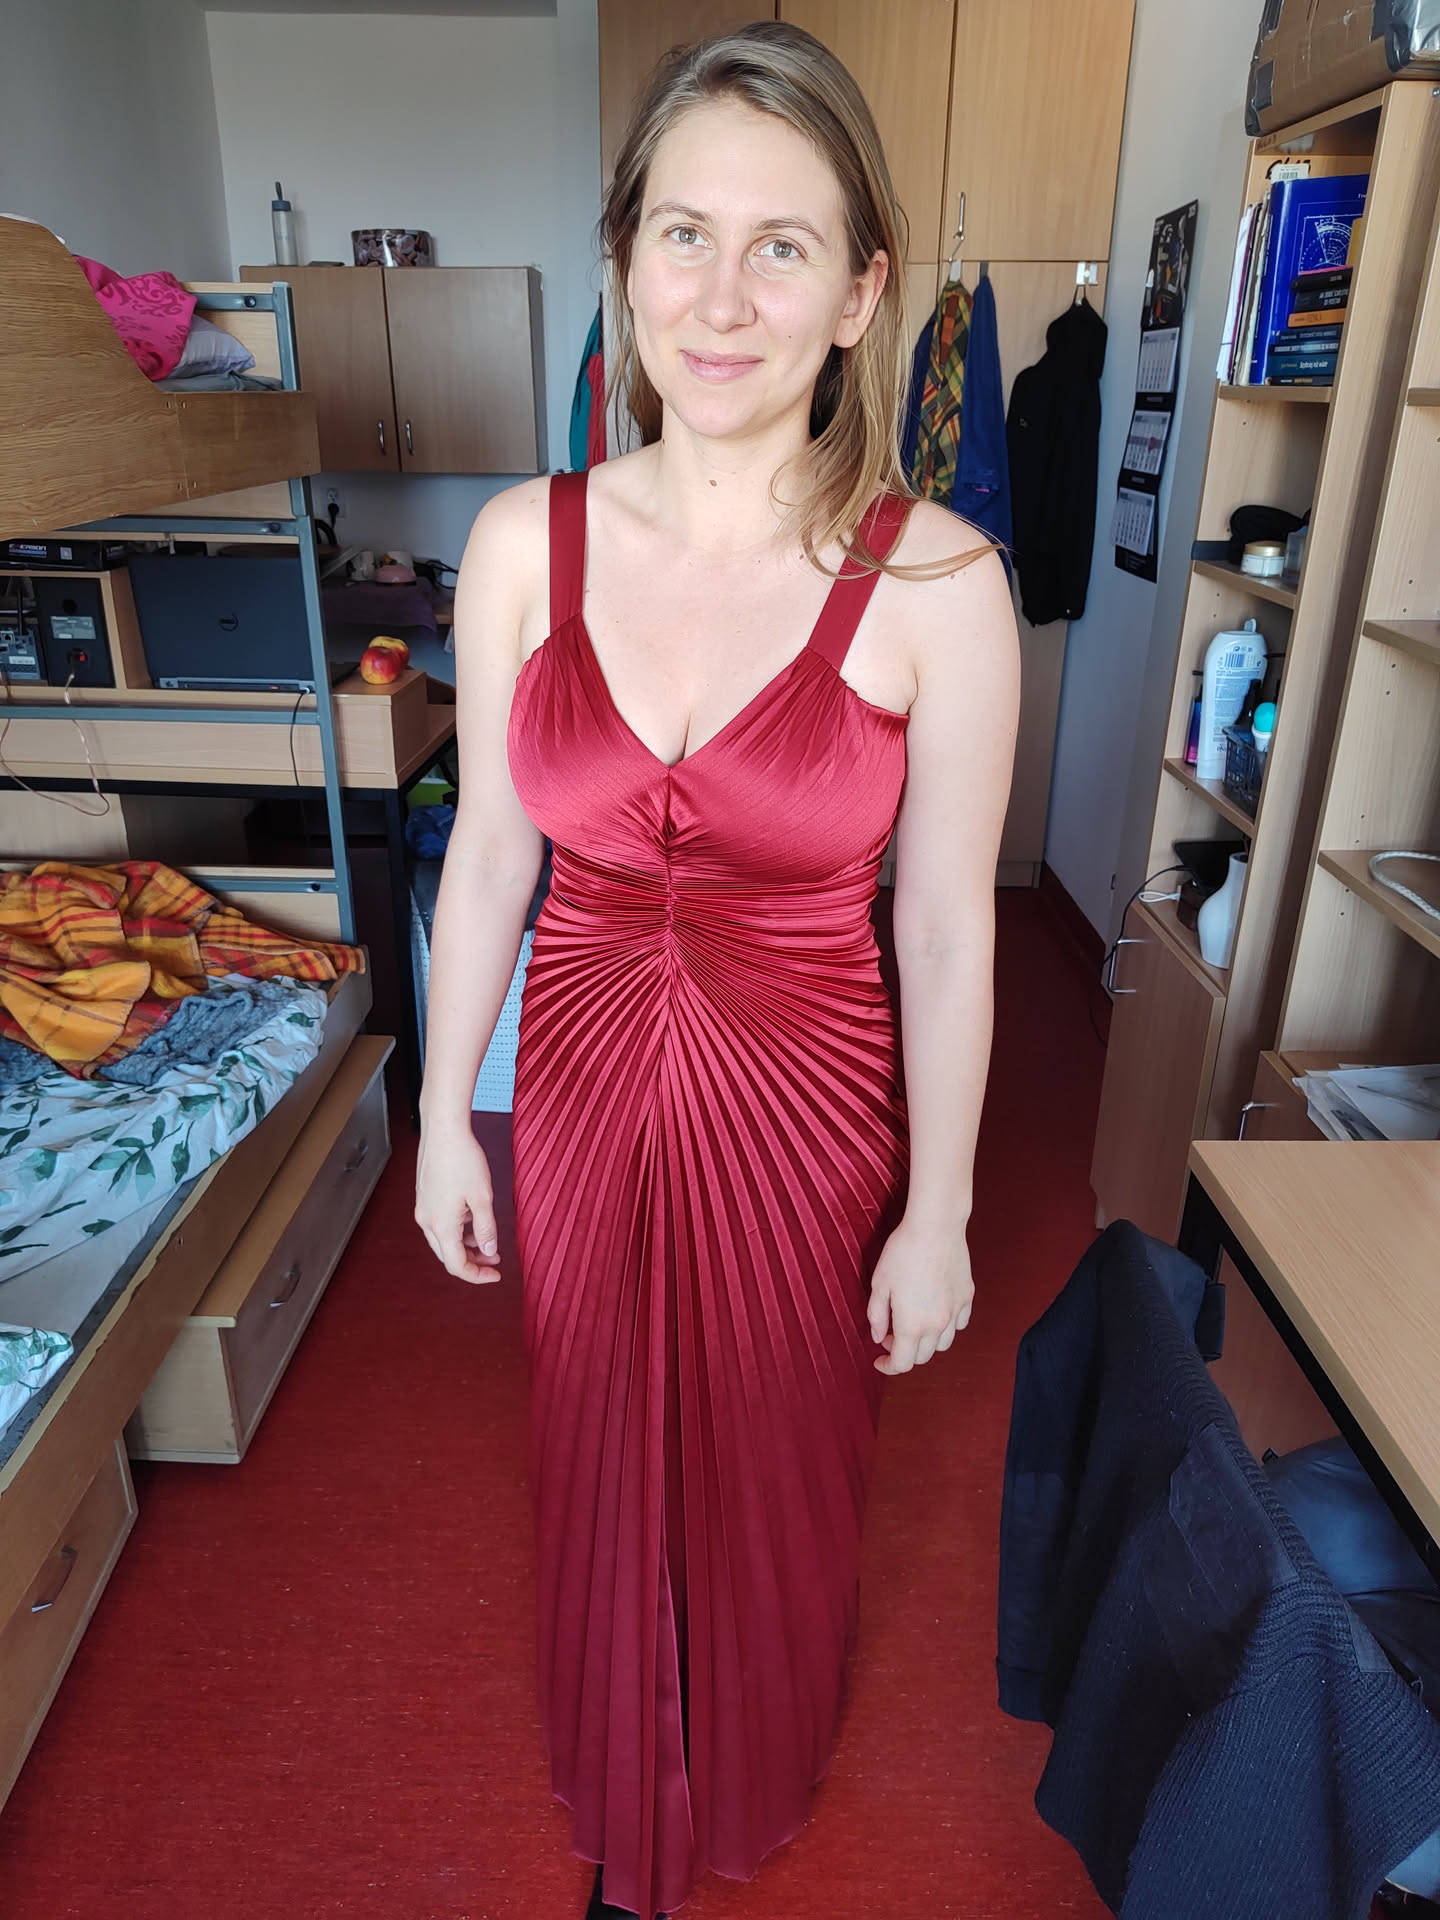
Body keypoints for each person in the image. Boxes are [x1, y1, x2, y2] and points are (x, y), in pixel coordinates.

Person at [414, 21, 1019, 1919]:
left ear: (863, 293)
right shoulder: (523, 546)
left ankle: (742, 1766)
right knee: (596, 1449)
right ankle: (627, 1799)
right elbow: (492, 852)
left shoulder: (941, 584)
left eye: (783, 247)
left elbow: (946, 925)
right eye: (684, 235)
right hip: (581, 1097)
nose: (725, 297)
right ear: (626, 260)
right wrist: (440, 1119)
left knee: (777, 1465)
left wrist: (941, 1211)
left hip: (806, 1111)